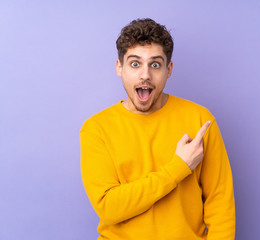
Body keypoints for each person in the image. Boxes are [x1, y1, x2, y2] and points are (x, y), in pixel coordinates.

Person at [80, 18, 235, 240]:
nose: (145, 75)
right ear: (119, 68)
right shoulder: (97, 129)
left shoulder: (200, 119)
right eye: (135, 64)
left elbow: (220, 203)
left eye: (155, 65)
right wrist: (179, 167)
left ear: (168, 69)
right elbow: (109, 209)